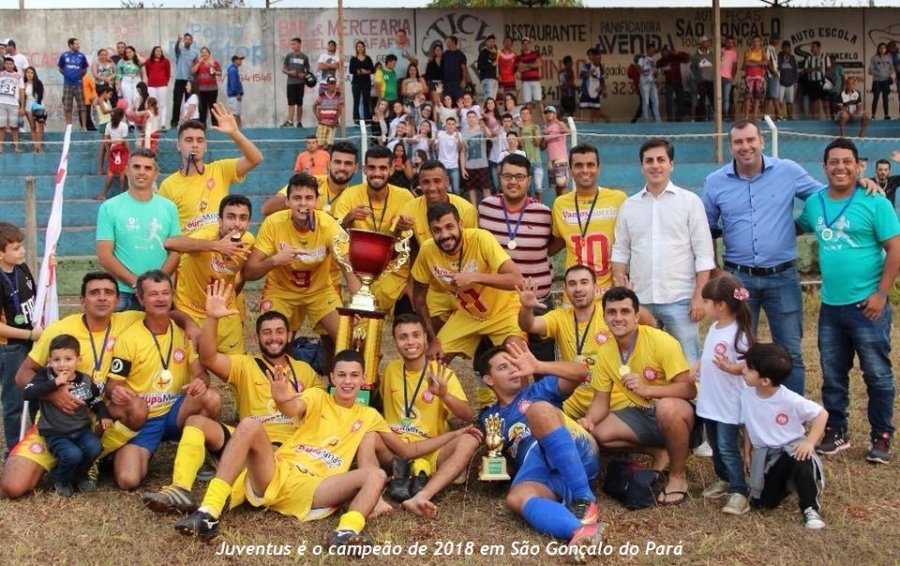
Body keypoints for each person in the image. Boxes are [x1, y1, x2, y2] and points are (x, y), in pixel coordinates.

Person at [173, 349, 477, 549]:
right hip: (278, 472)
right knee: (250, 424)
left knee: (374, 475)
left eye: (354, 376)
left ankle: (346, 533)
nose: (347, 381)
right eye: (341, 375)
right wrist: (280, 398)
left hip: (318, 487)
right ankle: (209, 513)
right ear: (331, 377)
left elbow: (409, 451)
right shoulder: (317, 396)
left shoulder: (369, 415)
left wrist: (453, 434)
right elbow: (292, 407)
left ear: (363, 380)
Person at [141, 281, 323, 515]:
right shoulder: (245, 364)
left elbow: (319, 411)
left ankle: (225, 497)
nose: (273, 337)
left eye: (279, 332)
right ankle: (180, 488)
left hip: (284, 447)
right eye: (266, 332)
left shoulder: (305, 371)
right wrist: (212, 318)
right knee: (195, 422)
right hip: (244, 440)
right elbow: (208, 358)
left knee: (255, 469)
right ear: (257, 337)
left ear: (289, 336)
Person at [797, 138, 900, 464]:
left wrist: (881, 293)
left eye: (847, 162)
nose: (840, 167)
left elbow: (895, 249)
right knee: (832, 373)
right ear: (824, 167)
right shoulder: (815, 203)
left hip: (867, 305)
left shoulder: (875, 201)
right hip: (831, 306)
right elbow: (796, 227)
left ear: (859, 167)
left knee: (877, 374)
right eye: (833, 162)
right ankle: (837, 430)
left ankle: (881, 434)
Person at [3, 271, 150, 499]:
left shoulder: (129, 320)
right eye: (94, 293)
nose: (102, 298)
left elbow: (167, 313)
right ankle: (63, 459)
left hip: (98, 413)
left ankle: (93, 458)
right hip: (58, 420)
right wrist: (53, 395)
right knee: (13, 487)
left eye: (108, 292)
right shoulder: (59, 330)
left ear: (117, 299)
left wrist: (189, 324)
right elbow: (23, 374)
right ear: (82, 300)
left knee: (136, 408)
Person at [478, 342, 604, 559]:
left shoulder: (538, 390)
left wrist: (539, 366)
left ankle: (584, 498)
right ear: (488, 379)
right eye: (503, 367)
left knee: (537, 410)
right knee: (516, 498)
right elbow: (501, 455)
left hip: (574, 451)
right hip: (538, 468)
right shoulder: (489, 417)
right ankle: (580, 531)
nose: (513, 369)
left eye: (513, 364)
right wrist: (494, 470)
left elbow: (582, 372)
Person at [578, 286, 697, 506]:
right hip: (643, 413)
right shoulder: (605, 352)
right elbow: (601, 402)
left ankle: (678, 476)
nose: (618, 318)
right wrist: (588, 421)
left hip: (680, 413)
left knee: (667, 408)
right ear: (604, 318)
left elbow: (689, 390)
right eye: (611, 312)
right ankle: (659, 451)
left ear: (636, 316)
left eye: (625, 311)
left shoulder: (661, 341)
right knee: (599, 432)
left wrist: (648, 390)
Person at [106, 269, 221, 490]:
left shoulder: (183, 332)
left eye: (165, 293)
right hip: (144, 418)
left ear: (172, 295)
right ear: (141, 299)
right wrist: (116, 391)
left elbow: (201, 374)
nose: (161, 299)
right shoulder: (129, 338)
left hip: (176, 413)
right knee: (128, 480)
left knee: (211, 398)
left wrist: (200, 381)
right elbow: (113, 384)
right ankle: (117, 452)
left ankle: (202, 453)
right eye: (153, 294)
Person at [611, 138, 715, 364]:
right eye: (649, 161)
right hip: (640, 300)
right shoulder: (629, 206)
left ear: (671, 164)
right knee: (645, 363)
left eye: (661, 160)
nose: (655, 165)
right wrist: (622, 291)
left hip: (681, 300)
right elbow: (620, 251)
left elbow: (704, 253)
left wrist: (699, 295)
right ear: (642, 166)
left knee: (687, 363)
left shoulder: (690, 202)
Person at [375, 313, 478, 516]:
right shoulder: (390, 370)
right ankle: (376, 494)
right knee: (369, 435)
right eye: (403, 337)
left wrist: (444, 395)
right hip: (395, 450)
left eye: (416, 335)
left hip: (431, 449)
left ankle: (422, 495)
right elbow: (378, 404)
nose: (410, 342)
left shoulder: (442, 373)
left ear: (425, 337)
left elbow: (467, 414)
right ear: (394, 341)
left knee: (469, 441)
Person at [411, 201, 524, 385]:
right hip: (467, 314)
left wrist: (474, 277)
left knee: (516, 358)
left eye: (449, 227)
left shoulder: (481, 239)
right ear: (431, 232)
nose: (445, 235)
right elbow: (418, 298)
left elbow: (517, 280)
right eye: (437, 230)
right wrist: (432, 339)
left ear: (460, 224)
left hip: (503, 311)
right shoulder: (427, 250)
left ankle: (524, 402)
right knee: (433, 362)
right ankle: (435, 402)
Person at [243, 173, 358, 345]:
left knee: (347, 341)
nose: (303, 203)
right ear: (287, 202)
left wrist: (359, 303)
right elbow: (249, 272)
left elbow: (348, 268)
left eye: (308, 198)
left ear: (316, 201)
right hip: (281, 291)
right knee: (274, 343)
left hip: (319, 291)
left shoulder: (328, 225)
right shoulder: (273, 223)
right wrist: (275, 260)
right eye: (297, 198)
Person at [740, 343, 827, 530]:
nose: (743, 370)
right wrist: (747, 453)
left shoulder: (789, 399)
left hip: (791, 447)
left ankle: (810, 508)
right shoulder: (746, 394)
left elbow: (821, 414)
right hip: (767, 456)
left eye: (749, 369)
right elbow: (749, 424)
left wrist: (809, 443)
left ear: (765, 381)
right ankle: (788, 482)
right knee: (763, 504)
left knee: (800, 458)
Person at [479, 153, 554, 359]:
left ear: (529, 180)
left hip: (538, 302)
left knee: (542, 363)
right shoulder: (485, 208)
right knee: (498, 365)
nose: (513, 182)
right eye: (507, 176)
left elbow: (553, 245)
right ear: (499, 178)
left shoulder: (544, 213)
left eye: (519, 177)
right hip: (497, 306)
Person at [23, 334, 113, 497]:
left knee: (94, 447)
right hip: (55, 432)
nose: (62, 364)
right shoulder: (45, 376)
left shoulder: (85, 380)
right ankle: (60, 478)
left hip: (81, 429)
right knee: (72, 454)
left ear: (78, 360)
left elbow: (95, 400)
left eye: (68, 359)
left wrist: (103, 414)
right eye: (56, 359)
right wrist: (54, 383)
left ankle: (80, 475)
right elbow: (28, 393)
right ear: (49, 361)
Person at [695, 275, 756, 515]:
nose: (704, 306)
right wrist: (698, 365)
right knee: (715, 444)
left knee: (727, 446)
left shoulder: (739, 333)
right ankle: (724, 478)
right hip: (711, 400)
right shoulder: (714, 327)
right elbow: (709, 353)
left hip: (728, 404)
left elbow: (749, 365)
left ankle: (740, 490)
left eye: (706, 302)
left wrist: (730, 368)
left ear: (720, 305)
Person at [164, 194, 253, 355]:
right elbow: (170, 243)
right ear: (220, 220)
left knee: (237, 365)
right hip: (191, 311)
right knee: (190, 365)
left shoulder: (249, 241)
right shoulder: (204, 236)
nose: (237, 224)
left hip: (225, 310)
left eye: (243, 218)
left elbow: (244, 274)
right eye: (231, 217)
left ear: (249, 222)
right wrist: (216, 246)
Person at [333, 145, 416, 315]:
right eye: (371, 167)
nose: (376, 173)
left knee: (407, 319)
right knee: (359, 323)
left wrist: (411, 284)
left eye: (382, 168)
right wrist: (348, 219)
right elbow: (334, 237)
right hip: (360, 272)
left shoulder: (405, 197)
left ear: (391, 169)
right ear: (364, 169)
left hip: (395, 274)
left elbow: (414, 244)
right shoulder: (350, 195)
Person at [517, 264, 607, 420]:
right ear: (565, 290)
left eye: (584, 282)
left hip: (609, 397)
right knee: (538, 421)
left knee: (600, 431)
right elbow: (528, 325)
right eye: (572, 284)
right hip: (574, 399)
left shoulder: (610, 313)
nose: (578, 289)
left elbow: (644, 323)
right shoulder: (559, 317)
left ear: (595, 287)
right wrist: (526, 308)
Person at [96, 148, 180, 311]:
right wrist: (137, 283)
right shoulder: (109, 207)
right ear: (127, 170)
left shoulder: (169, 207)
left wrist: (156, 285)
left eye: (147, 168)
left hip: (158, 294)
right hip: (124, 293)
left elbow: (175, 252)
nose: (142, 172)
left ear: (156, 174)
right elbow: (104, 255)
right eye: (136, 167)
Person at [158, 105, 263, 234]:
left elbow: (255, 159)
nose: (195, 145)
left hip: (223, 244)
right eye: (189, 140)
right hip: (191, 246)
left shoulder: (220, 169)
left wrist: (234, 133)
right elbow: (164, 228)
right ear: (179, 145)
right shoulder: (168, 185)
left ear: (206, 146)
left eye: (200, 140)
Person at [403, 160, 479, 329]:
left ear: (447, 182)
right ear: (420, 184)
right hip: (433, 284)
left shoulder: (466, 210)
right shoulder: (410, 209)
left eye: (437, 181)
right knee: (430, 331)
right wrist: (410, 283)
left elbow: (471, 250)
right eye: (426, 182)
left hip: (464, 280)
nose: (432, 188)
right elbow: (410, 248)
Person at [550, 144, 627, 292]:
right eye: (578, 165)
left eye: (590, 165)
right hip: (575, 294)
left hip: (608, 293)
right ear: (570, 170)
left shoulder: (619, 199)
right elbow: (558, 242)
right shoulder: (560, 204)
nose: (585, 170)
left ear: (599, 168)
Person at [0, 222, 40, 456]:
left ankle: (35, 445)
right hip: (11, 348)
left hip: (31, 342)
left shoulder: (21, 268)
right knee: (14, 401)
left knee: (36, 394)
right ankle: (14, 452)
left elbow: (37, 297)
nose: (22, 251)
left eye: (21, 246)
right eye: (15, 248)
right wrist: (29, 334)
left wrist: (49, 270)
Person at [260, 141, 359, 217]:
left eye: (348, 164)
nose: (342, 168)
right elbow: (266, 209)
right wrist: (300, 196)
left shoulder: (354, 198)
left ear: (356, 168)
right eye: (337, 162)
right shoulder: (310, 181)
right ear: (329, 165)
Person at [94, 107, 129, 201]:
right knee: (122, 172)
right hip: (122, 150)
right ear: (121, 117)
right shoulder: (124, 126)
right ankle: (121, 194)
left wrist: (108, 150)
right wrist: (129, 151)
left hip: (113, 149)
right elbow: (124, 141)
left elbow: (105, 140)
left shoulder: (108, 125)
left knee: (111, 172)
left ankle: (103, 194)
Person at [461, 110, 491, 206]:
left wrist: (485, 127)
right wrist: (463, 168)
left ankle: (488, 207)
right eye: (469, 117)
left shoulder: (481, 129)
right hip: (469, 165)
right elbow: (462, 152)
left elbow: (490, 136)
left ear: (476, 118)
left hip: (482, 164)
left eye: (473, 117)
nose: (471, 119)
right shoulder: (463, 133)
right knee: (471, 189)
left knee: (486, 188)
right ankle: (474, 209)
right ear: (466, 119)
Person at [57, 37, 89, 128]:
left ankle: (84, 127)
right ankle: (69, 127)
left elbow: (84, 69)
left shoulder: (81, 56)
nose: (78, 46)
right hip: (67, 84)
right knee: (67, 106)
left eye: (78, 44)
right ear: (71, 45)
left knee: (82, 106)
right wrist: (67, 75)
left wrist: (79, 76)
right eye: (76, 44)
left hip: (78, 84)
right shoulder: (64, 55)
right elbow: (60, 68)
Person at [172, 33, 200, 129]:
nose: (188, 41)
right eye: (186, 39)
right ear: (183, 40)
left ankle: (188, 121)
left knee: (189, 102)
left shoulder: (195, 53)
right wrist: (178, 41)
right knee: (177, 102)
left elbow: (196, 65)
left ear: (191, 41)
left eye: (189, 39)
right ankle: (174, 123)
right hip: (179, 80)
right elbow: (176, 49)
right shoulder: (180, 50)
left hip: (190, 81)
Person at [281, 37, 310, 128]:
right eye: (291, 44)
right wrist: (290, 72)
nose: (292, 46)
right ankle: (290, 121)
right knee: (291, 103)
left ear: (299, 44)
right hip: (291, 83)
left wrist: (303, 75)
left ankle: (299, 122)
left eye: (294, 44)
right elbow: (283, 69)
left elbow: (307, 71)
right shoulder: (289, 56)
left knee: (300, 103)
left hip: (300, 83)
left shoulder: (305, 57)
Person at [542, 106, 570, 197]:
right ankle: (558, 203)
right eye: (546, 113)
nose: (548, 114)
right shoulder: (545, 127)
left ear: (555, 114)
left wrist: (556, 122)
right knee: (556, 186)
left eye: (550, 112)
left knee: (562, 184)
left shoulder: (560, 124)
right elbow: (543, 146)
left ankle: (564, 203)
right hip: (550, 159)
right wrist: (545, 138)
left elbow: (569, 132)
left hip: (560, 158)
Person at [432, 116, 464, 195]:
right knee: (442, 188)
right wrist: (434, 138)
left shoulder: (458, 134)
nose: (451, 126)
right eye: (449, 124)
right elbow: (433, 146)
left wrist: (458, 140)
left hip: (454, 166)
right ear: (445, 126)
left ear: (455, 126)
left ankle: (455, 203)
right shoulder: (440, 134)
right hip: (442, 165)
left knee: (456, 189)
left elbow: (460, 149)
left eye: (453, 124)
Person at [191, 47, 221, 127]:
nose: (204, 54)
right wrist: (199, 62)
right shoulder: (197, 62)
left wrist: (215, 72)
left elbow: (220, 72)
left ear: (209, 54)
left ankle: (215, 124)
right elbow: (193, 71)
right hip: (201, 89)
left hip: (212, 89)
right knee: (202, 108)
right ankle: (202, 124)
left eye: (206, 52)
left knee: (213, 107)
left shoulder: (214, 62)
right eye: (202, 52)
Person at [800, 41, 831, 120]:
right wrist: (815, 69)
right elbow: (805, 70)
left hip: (823, 82)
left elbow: (828, 69)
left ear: (818, 47)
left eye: (813, 47)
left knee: (825, 101)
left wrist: (826, 79)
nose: (811, 49)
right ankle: (816, 119)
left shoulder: (825, 57)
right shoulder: (809, 58)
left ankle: (828, 118)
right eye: (811, 47)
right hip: (813, 82)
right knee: (814, 101)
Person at [658, 46, 689, 122]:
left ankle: (679, 118)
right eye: (663, 52)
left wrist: (676, 53)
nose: (665, 53)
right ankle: (670, 119)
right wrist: (662, 69)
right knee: (669, 101)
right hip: (669, 83)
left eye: (666, 51)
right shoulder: (661, 61)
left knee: (680, 100)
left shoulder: (675, 57)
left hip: (678, 82)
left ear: (669, 52)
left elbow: (686, 58)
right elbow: (657, 68)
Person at [0, 56, 24, 154]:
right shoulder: (1, 74)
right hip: (1, 103)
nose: (9, 65)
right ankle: (0, 147)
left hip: (13, 103)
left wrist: (22, 106)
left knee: (14, 127)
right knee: (1, 126)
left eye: (10, 64)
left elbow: (21, 91)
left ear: (13, 65)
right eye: (7, 63)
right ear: (4, 65)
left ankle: (16, 147)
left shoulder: (18, 76)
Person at [144, 46, 171, 130]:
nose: (159, 52)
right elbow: (148, 73)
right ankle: (154, 123)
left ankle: (163, 124)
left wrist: (165, 82)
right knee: (152, 104)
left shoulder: (166, 61)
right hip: (151, 85)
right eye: (157, 51)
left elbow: (168, 73)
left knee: (162, 104)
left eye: (160, 51)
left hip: (162, 85)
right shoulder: (148, 61)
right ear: (153, 52)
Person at [579, 48, 609, 123]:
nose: (598, 60)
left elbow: (602, 81)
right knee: (582, 108)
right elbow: (582, 76)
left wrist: (602, 88)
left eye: (600, 58)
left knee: (596, 110)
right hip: (586, 91)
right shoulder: (587, 66)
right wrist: (589, 73)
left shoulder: (601, 69)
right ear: (593, 58)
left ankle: (595, 126)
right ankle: (580, 125)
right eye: (597, 58)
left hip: (596, 93)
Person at [516, 37, 543, 116]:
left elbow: (539, 64)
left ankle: (545, 120)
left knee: (539, 101)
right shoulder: (519, 57)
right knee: (528, 102)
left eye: (527, 43)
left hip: (535, 80)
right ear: (522, 45)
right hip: (525, 81)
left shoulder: (536, 54)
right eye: (524, 44)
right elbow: (520, 68)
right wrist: (532, 65)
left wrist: (526, 65)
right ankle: (529, 120)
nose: (526, 45)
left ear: (530, 44)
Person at [313, 76, 343, 147]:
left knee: (329, 145)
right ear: (327, 84)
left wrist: (335, 121)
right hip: (322, 123)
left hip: (332, 124)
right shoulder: (322, 95)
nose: (332, 86)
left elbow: (339, 110)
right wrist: (318, 118)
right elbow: (314, 106)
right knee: (320, 144)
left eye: (334, 84)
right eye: (331, 84)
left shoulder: (338, 95)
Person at [349, 41, 374, 123]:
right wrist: (359, 70)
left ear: (364, 48)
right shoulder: (353, 59)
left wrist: (366, 72)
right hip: (356, 82)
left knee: (366, 101)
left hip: (366, 82)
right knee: (356, 101)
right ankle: (356, 120)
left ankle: (367, 119)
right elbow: (351, 70)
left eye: (361, 46)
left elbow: (373, 69)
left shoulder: (368, 58)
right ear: (356, 48)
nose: (360, 48)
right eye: (358, 46)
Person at [691, 36, 714, 121]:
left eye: (708, 41)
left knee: (713, 100)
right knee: (701, 101)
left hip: (711, 81)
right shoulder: (695, 56)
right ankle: (701, 119)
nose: (707, 43)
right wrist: (698, 79)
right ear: (701, 43)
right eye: (705, 42)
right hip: (701, 82)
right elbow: (692, 69)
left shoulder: (712, 55)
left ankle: (715, 118)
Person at [22, 66, 44, 153]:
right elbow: (23, 97)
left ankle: (39, 146)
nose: (29, 74)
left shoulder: (38, 83)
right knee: (32, 126)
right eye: (28, 72)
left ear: (34, 74)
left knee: (40, 126)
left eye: (31, 73)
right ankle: (35, 147)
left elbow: (40, 96)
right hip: (28, 106)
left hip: (38, 105)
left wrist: (37, 106)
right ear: (25, 74)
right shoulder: (24, 84)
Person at [869, 42, 893, 120]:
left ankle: (886, 115)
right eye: (880, 48)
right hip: (877, 81)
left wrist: (887, 74)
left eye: (884, 48)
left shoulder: (889, 58)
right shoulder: (874, 58)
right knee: (875, 98)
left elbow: (892, 68)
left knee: (885, 98)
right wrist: (880, 74)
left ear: (886, 49)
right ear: (878, 49)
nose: (882, 49)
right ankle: (873, 115)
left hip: (885, 81)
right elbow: (870, 70)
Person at [441, 36, 468, 102]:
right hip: (446, 82)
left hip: (457, 82)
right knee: (447, 102)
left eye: (448, 42)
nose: (446, 43)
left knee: (459, 101)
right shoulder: (445, 54)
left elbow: (464, 68)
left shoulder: (460, 54)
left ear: (452, 42)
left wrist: (464, 80)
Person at [776, 41, 798, 121]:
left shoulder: (792, 58)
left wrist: (795, 81)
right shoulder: (779, 57)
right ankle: (779, 117)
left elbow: (795, 70)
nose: (786, 49)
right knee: (779, 101)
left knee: (790, 101)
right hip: (781, 82)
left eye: (787, 48)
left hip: (790, 83)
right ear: (782, 48)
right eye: (784, 47)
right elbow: (777, 68)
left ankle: (790, 117)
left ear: (789, 48)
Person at [638, 44, 660, 123]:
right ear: (647, 50)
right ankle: (646, 120)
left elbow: (655, 75)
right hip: (644, 82)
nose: (652, 52)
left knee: (656, 101)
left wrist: (657, 73)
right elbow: (639, 68)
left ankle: (658, 120)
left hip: (652, 83)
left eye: (653, 51)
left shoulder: (654, 61)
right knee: (646, 102)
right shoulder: (642, 59)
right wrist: (644, 70)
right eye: (651, 50)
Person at [763, 34, 781, 118]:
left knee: (768, 97)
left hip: (774, 74)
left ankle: (765, 116)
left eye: (777, 39)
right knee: (774, 95)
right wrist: (773, 72)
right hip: (771, 75)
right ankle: (780, 115)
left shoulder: (773, 49)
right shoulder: (768, 48)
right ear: (770, 39)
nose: (776, 41)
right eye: (774, 39)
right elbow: (767, 61)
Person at [721, 36, 739, 120]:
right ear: (725, 42)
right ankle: (718, 116)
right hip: (719, 77)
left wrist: (732, 76)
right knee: (717, 98)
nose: (730, 44)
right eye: (728, 42)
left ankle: (725, 116)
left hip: (728, 78)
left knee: (726, 98)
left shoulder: (734, 53)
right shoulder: (720, 50)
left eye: (732, 43)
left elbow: (735, 66)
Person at [477, 34, 499, 100]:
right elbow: (479, 66)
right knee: (489, 100)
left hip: (494, 79)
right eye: (489, 41)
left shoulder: (494, 53)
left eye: (493, 41)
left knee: (493, 100)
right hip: (487, 79)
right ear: (486, 42)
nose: (491, 43)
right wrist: (492, 65)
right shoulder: (483, 53)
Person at [226, 54, 244, 128]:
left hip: (233, 95)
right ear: (235, 60)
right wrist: (238, 93)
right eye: (239, 60)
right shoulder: (233, 70)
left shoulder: (233, 69)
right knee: (236, 114)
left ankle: (237, 129)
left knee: (236, 113)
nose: (241, 61)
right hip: (234, 95)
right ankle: (237, 130)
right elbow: (233, 83)